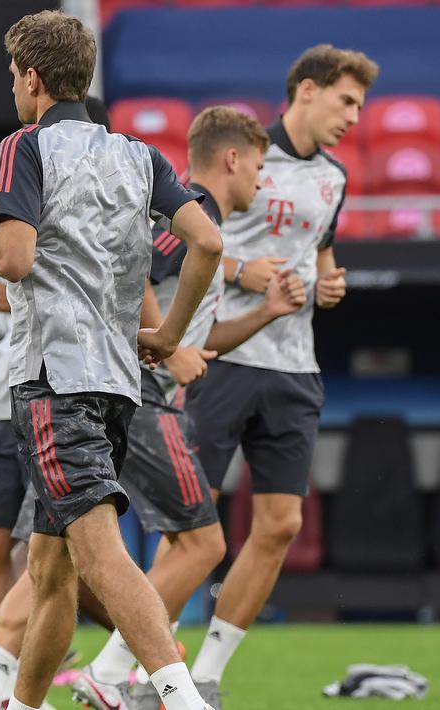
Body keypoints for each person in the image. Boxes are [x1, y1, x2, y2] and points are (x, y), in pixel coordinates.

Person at [0, 12, 223, 710]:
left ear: (33, 79)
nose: (14, 89)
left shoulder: (24, 145)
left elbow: (13, 260)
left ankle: (180, 698)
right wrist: (167, 333)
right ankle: (14, 703)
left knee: (100, 554)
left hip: (51, 379)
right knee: (51, 570)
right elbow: (206, 243)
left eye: (15, 76)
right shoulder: (139, 154)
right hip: (117, 382)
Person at [73, 107, 308, 709]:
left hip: (133, 389)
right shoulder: (193, 208)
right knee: (202, 545)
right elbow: (137, 272)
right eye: (258, 165)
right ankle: (109, 675)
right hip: (143, 395)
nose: (261, 180)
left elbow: (200, 344)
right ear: (233, 159)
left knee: (62, 558)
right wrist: (168, 344)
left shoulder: (203, 219)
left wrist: (267, 313)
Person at [184, 45, 379, 706]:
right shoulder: (242, 156)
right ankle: (132, 662)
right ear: (304, 90)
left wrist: (328, 283)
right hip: (222, 358)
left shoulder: (334, 178)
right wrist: (239, 271)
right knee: (192, 527)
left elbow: (319, 250)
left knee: (279, 526)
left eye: (359, 105)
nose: (353, 116)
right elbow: (187, 239)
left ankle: (204, 674)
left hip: (294, 366)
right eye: (345, 100)